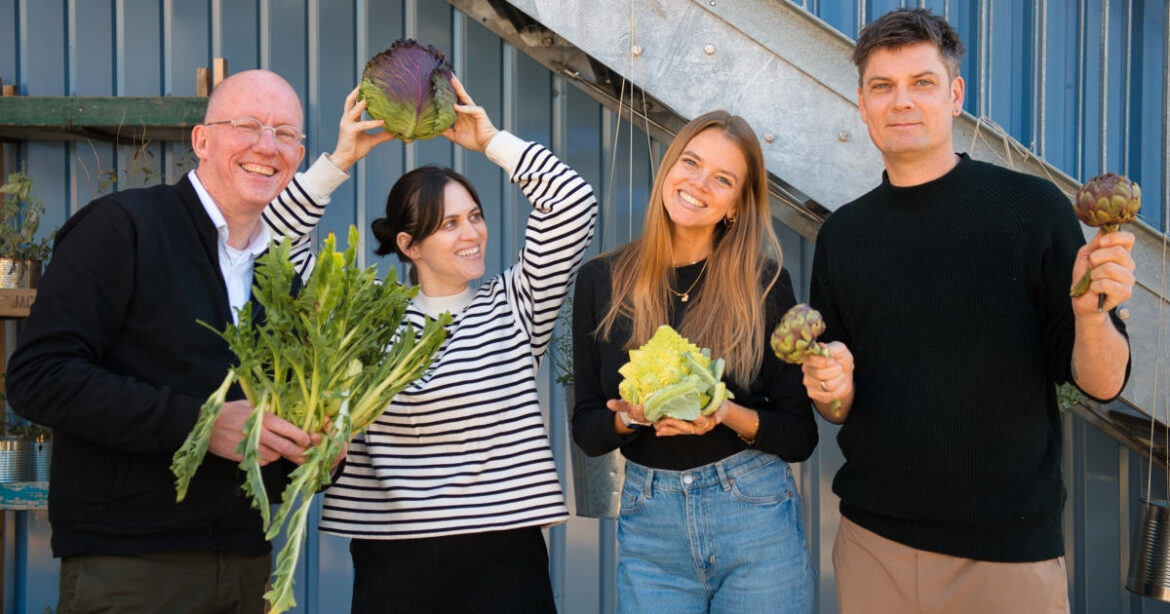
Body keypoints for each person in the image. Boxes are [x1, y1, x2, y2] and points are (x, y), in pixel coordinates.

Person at [5, 70, 391, 614]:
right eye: (249, 125)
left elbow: (268, 432)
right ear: (201, 140)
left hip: (247, 567)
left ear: (299, 153)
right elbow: (38, 377)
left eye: (286, 134)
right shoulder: (123, 228)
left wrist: (318, 450)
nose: (267, 146)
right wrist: (202, 425)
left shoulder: (278, 277)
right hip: (132, 569)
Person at [800, 8, 1136, 613]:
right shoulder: (844, 236)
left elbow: (1103, 382)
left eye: (921, 83)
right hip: (875, 546)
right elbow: (837, 404)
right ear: (862, 103)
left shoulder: (1033, 211)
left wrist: (1091, 316)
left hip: (1007, 556)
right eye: (883, 86)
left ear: (955, 96)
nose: (901, 101)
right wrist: (829, 388)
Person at [317, 77, 598, 613]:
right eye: (448, 223)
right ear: (409, 244)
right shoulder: (368, 318)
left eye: (474, 216)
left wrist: (490, 140)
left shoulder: (515, 305)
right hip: (391, 557)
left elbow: (573, 205)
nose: (471, 233)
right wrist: (338, 160)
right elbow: (276, 254)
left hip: (504, 556)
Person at [571, 111, 818, 613]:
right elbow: (587, 428)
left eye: (722, 179)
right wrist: (630, 417)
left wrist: (723, 412)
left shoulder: (763, 284)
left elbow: (800, 434)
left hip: (753, 519)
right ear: (669, 168)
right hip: (650, 531)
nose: (698, 184)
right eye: (691, 162)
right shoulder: (602, 280)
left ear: (734, 206)